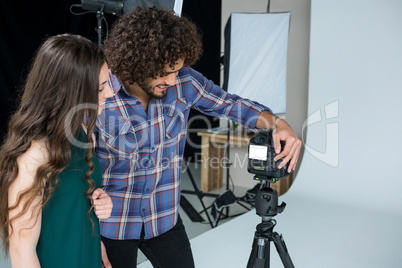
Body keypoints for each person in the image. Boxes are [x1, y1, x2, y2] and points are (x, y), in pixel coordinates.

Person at [97, 6, 302, 268]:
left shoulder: (184, 82)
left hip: (164, 220)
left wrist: (276, 123)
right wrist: (89, 236)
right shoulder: (102, 92)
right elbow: (77, 167)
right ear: (139, 62)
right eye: (164, 72)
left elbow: (230, 104)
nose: (172, 81)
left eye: (177, 70)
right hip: (112, 227)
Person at [0, 34, 114, 267]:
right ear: (72, 90)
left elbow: (74, 202)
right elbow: (22, 251)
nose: (110, 94)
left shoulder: (83, 130)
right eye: (100, 87)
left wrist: (102, 204)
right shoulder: (33, 155)